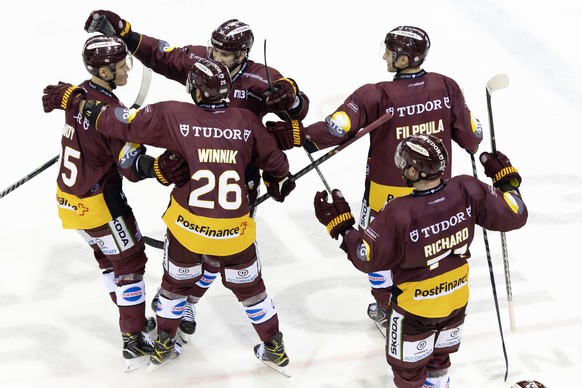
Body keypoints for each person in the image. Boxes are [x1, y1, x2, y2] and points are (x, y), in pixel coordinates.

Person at [42, 58, 296, 375]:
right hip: (234, 231)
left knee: (174, 287)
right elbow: (279, 168)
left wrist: (77, 102)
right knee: (252, 291)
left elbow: (116, 123)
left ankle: (163, 345)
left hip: (187, 229)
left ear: (197, 92)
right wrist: (280, 178)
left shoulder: (174, 115)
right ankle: (274, 348)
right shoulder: (247, 121)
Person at [83, 10, 310, 338]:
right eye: (213, 49)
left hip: (239, 174)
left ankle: (185, 301)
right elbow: (161, 56)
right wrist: (125, 32)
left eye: (223, 53)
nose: (215, 57)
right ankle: (183, 296)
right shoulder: (202, 63)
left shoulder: (264, 79)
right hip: (195, 166)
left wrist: (293, 98)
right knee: (195, 244)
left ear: (243, 55)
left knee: (218, 254)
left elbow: (296, 115)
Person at [304, 26, 484, 334]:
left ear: (402, 58)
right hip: (438, 193)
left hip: (385, 194)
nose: (385, 56)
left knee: (377, 249)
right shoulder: (446, 87)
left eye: (389, 52)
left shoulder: (376, 94)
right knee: (433, 244)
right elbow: (472, 136)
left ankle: (386, 306)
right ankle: (430, 303)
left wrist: (299, 136)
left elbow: (335, 130)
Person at [312, 134, 527, 388]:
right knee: (438, 361)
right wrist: (506, 181)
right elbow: (516, 214)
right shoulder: (466, 188)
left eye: (405, 162)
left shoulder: (399, 212)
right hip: (455, 301)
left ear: (414, 171)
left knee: (409, 376)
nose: (401, 166)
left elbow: (365, 257)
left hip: (414, 312)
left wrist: (342, 227)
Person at [41, 35, 190, 372]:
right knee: (130, 264)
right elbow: (131, 167)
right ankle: (133, 338)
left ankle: (131, 320)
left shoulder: (78, 96)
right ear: (105, 70)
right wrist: (159, 168)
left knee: (109, 262)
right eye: (121, 66)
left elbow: (90, 132)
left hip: (69, 201)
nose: (126, 70)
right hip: (99, 205)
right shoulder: (105, 112)